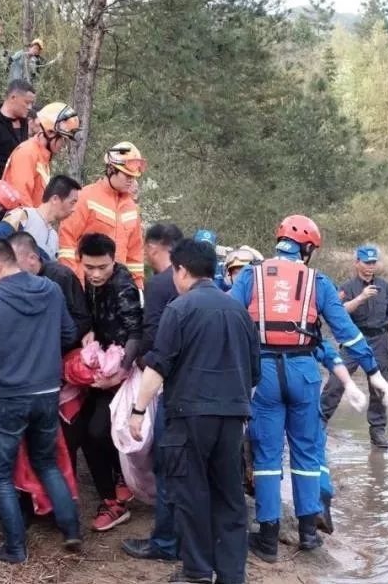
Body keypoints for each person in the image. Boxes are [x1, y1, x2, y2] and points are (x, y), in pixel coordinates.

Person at [229, 215, 388, 563]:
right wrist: (373, 372)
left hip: (264, 375)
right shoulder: (318, 282)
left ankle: (268, 539)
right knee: (306, 451)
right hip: (304, 372)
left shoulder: (250, 276)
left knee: (268, 455)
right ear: (306, 248)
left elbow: (227, 316)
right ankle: (308, 534)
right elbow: (346, 331)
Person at [129, 239, 260, 584]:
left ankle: (198, 571)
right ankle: (233, 574)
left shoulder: (179, 309)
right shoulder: (239, 312)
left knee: (191, 494)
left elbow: (158, 366)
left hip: (189, 418)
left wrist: (138, 411)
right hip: (233, 417)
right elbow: (255, 372)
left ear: (181, 270)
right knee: (230, 497)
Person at [0, 239, 82, 563]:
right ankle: (72, 531)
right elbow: (68, 334)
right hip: (48, 393)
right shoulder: (49, 289)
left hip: (10, 396)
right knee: (46, 462)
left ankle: (15, 548)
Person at [69, 233, 142, 531]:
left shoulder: (124, 286)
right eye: (90, 267)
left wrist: (120, 372)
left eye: (103, 267)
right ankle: (113, 496)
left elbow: (136, 334)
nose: (96, 274)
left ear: (114, 260)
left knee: (98, 431)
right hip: (101, 365)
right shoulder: (89, 280)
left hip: (124, 370)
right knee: (86, 431)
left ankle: (120, 485)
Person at [121, 222, 183, 561]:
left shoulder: (160, 285)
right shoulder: (216, 290)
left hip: (170, 388)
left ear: (157, 248)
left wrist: (131, 362)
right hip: (208, 391)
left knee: (167, 464)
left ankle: (165, 543)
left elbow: (154, 338)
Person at [320, 244, 388, 449]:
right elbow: (339, 312)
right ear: (357, 263)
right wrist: (361, 297)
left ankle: (377, 431)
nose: (370, 267)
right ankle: (320, 422)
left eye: (373, 262)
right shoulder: (346, 287)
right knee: (336, 381)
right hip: (353, 340)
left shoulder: (385, 286)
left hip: (379, 340)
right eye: (366, 262)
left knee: (379, 387)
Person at [57, 142, 146, 289]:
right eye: (127, 175)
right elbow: (67, 241)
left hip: (118, 288)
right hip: (87, 284)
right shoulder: (86, 197)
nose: (131, 180)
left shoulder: (131, 207)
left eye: (134, 176)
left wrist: (138, 288)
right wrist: (75, 283)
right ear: (111, 169)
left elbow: (135, 253)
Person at [8, 232, 91, 345]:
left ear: (32, 258)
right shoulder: (13, 280)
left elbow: (82, 320)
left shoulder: (61, 276)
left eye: (14, 263)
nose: (10, 269)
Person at [1, 102, 79, 208]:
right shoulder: (27, 153)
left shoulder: (43, 157)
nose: (63, 145)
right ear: (50, 133)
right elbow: (21, 200)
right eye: (62, 139)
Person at [4, 175, 81, 261]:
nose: (74, 209)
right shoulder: (22, 215)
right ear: (55, 199)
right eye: (72, 203)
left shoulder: (54, 237)